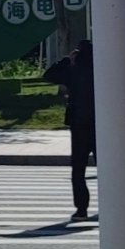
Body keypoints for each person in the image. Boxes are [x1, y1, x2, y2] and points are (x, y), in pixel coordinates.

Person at [42, 38, 96, 221]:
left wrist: (67, 60)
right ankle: (109, 206)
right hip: (100, 125)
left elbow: (49, 75)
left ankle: (82, 209)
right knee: (106, 169)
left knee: (78, 170)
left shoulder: (73, 70)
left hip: (79, 125)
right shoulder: (101, 70)